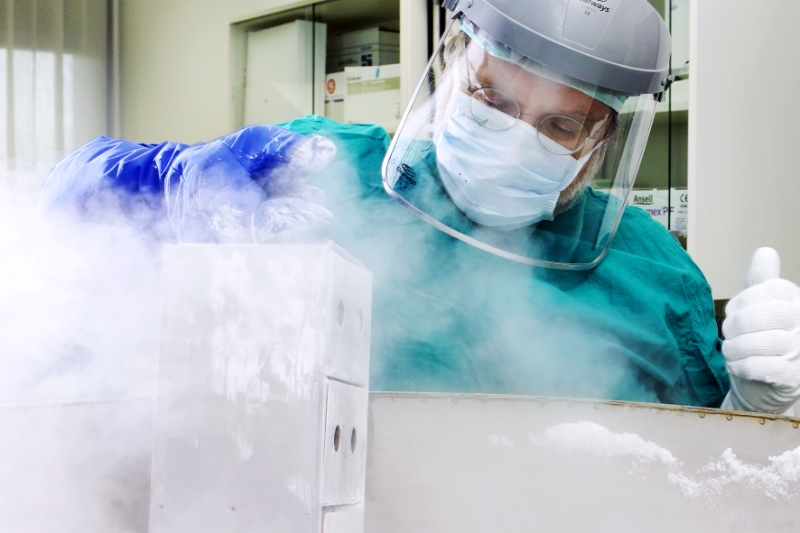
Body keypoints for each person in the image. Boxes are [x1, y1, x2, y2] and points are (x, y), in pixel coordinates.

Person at [34, 0, 800, 415]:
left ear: (601, 143)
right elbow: (62, 208)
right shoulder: (323, 168)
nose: (515, 138)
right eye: (491, 97)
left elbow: (705, 476)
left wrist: (758, 405)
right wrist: (174, 182)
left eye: (560, 126)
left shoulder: (655, 277)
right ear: (453, 69)